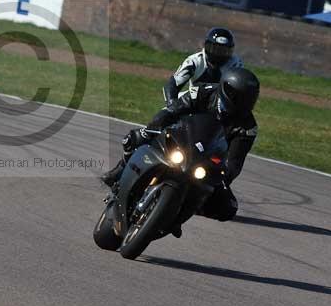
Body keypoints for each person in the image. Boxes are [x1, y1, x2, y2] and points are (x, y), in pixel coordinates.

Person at [102, 68, 260, 234]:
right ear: (227, 90)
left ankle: (177, 216)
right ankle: (119, 173)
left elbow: (236, 160)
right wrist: (150, 129)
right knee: (133, 139)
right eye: (241, 98)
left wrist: (225, 175)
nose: (246, 103)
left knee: (227, 207)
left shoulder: (248, 127)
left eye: (250, 99)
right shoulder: (203, 92)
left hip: (204, 160)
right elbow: (172, 110)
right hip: (178, 136)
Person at [163, 27, 243, 107]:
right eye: (215, 49)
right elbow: (173, 84)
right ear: (206, 46)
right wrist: (171, 104)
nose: (218, 54)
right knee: (164, 113)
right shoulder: (194, 61)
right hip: (194, 102)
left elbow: (239, 90)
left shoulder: (235, 63)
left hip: (220, 106)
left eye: (223, 51)